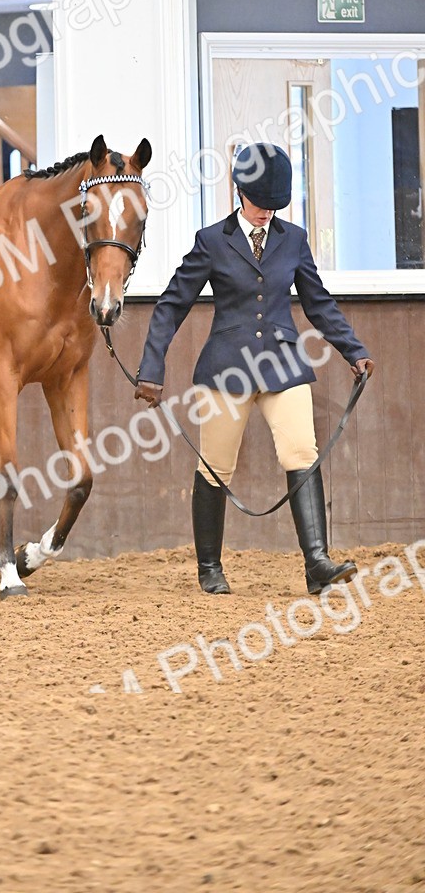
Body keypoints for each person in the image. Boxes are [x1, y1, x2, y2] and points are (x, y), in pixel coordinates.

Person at [134, 142, 374, 595]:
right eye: (259, 203)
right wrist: (152, 368)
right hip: (227, 369)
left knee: (301, 452)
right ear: (239, 192)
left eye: (274, 205)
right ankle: (209, 567)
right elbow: (171, 305)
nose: (266, 212)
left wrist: (353, 350)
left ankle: (317, 563)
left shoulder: (295, 240)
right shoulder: (211, 241)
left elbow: (319, 304)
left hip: (283, 363)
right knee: (217, 468)